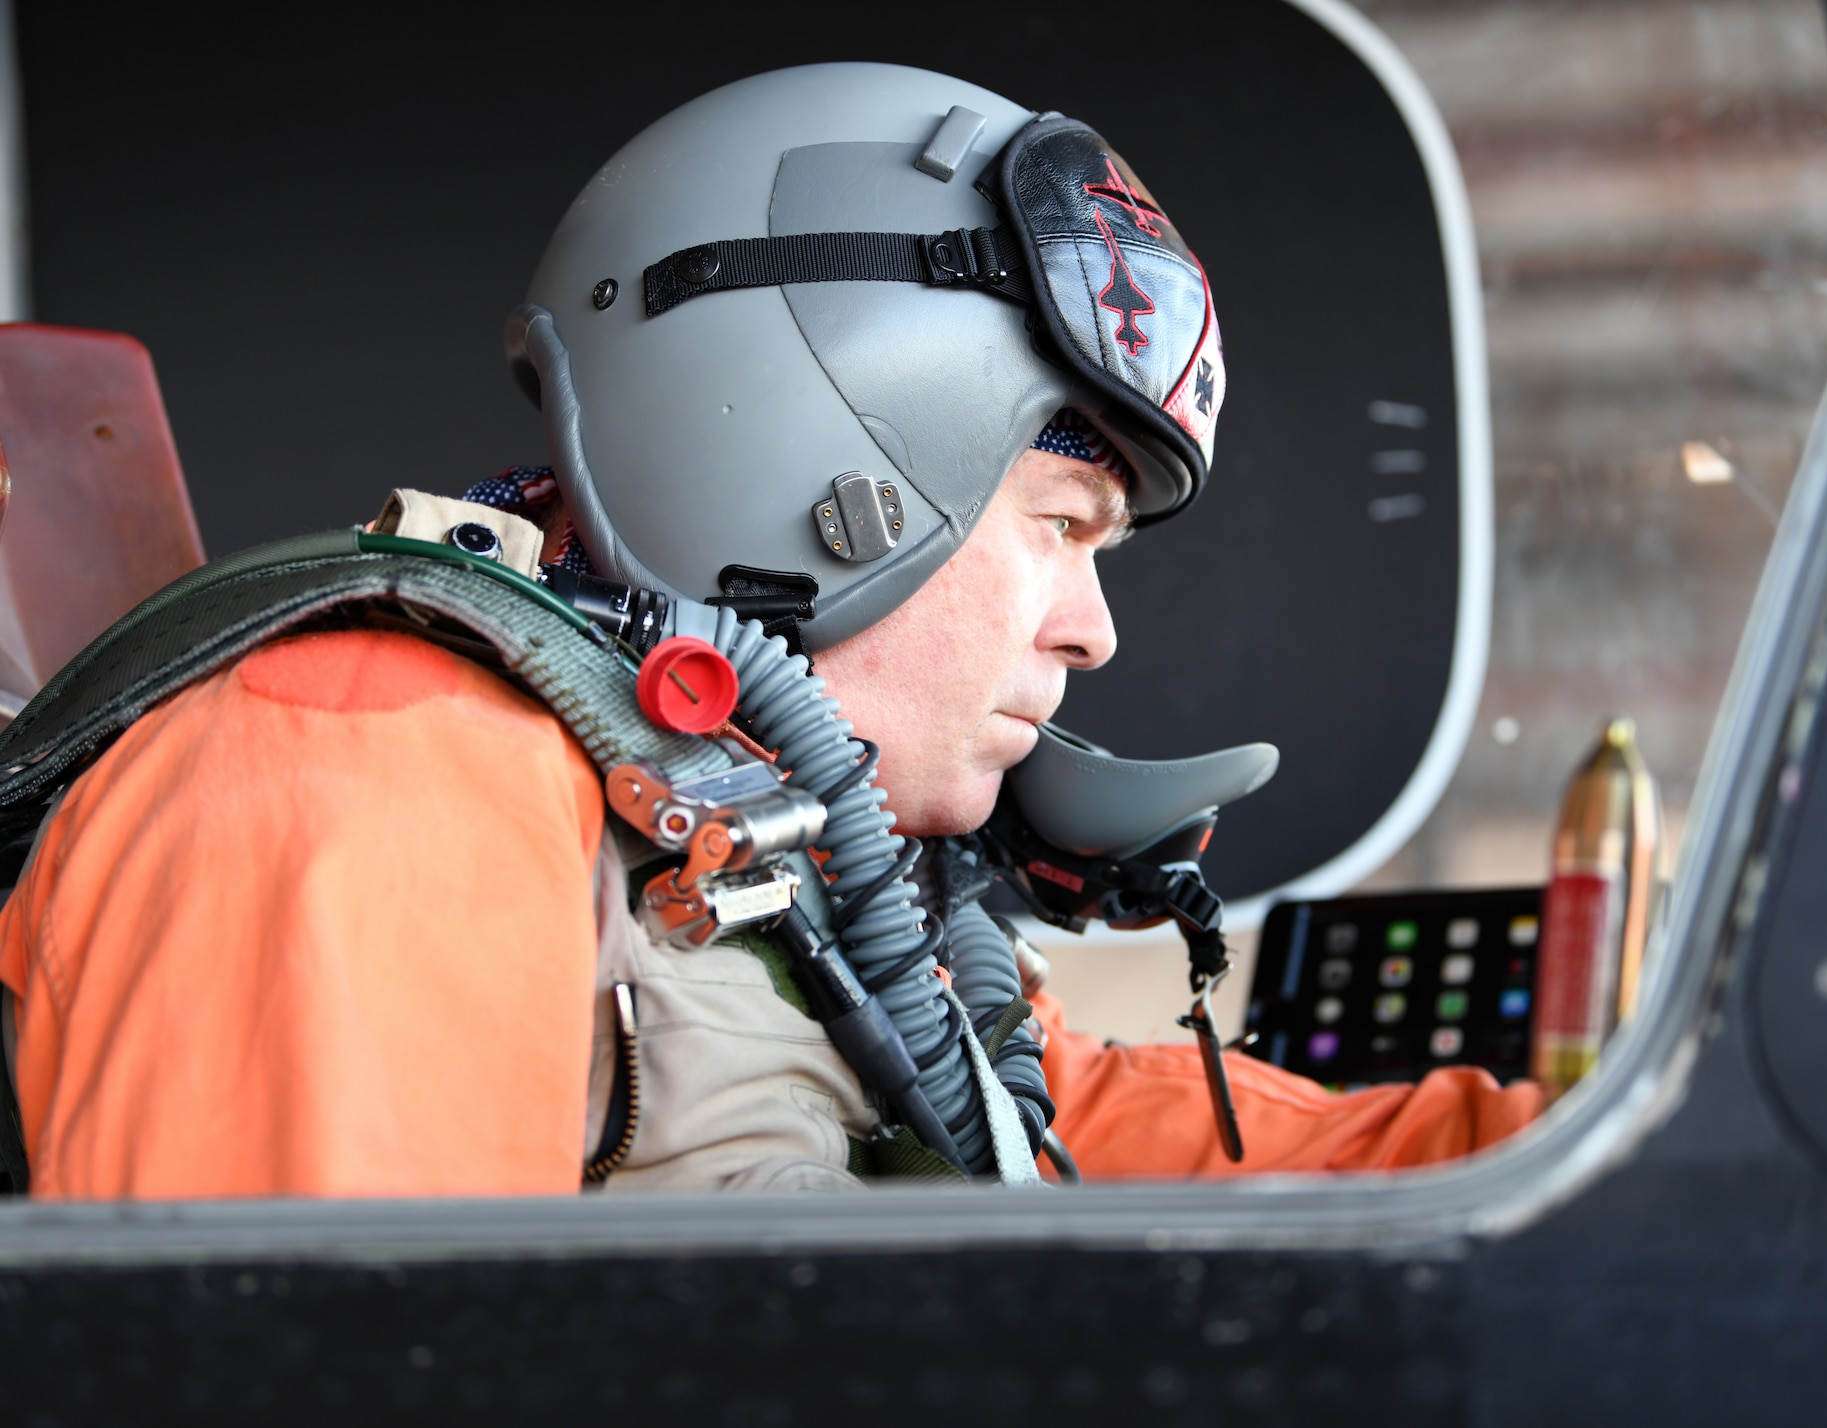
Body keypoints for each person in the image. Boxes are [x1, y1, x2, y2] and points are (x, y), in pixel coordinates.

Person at [0, 63, 1536, 1199]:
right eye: (1062, 527)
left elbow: (1064, 1127)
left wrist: (1559, 1151)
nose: (1091, 634)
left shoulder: (772, 839)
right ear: (832, 473)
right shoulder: (363, 783)